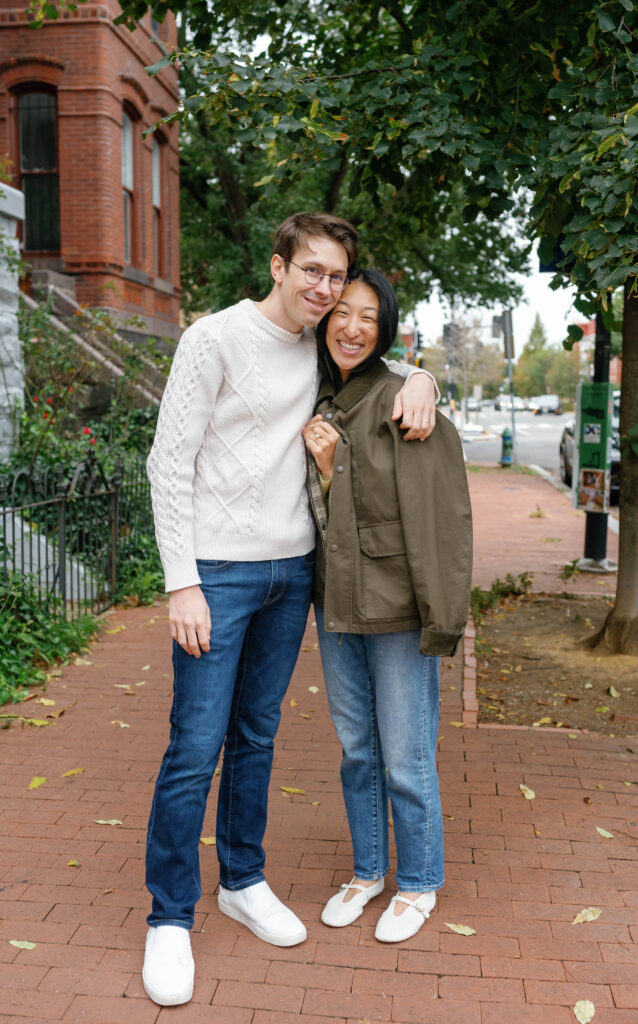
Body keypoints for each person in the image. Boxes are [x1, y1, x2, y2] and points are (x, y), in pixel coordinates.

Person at [142, 213, 439, 1006]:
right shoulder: (211, 339)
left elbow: (378, 359)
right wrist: (181, 582)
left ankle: (241, 878)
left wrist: (424, 378)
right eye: (311, 272)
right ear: (277, 267)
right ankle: (168, 916)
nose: (325, 290)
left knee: (256, 737)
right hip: (218, 574)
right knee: (193, 747)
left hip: (292, 573)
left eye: (336, 277)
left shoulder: (318, 346)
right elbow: (167, 461)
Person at [303, 268, 472, 943]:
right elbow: (327, 517)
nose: (350, 326)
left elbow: (437, 519)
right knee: (357, 751)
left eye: (367, 316)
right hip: (337, 603)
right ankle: (368, 869)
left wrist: (442, 615)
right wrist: (325, 471)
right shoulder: (320, 394)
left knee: (404, 753)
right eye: (340, 312)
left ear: (386, 329)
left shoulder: (402, 398)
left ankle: (420, 881)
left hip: (396, 606)